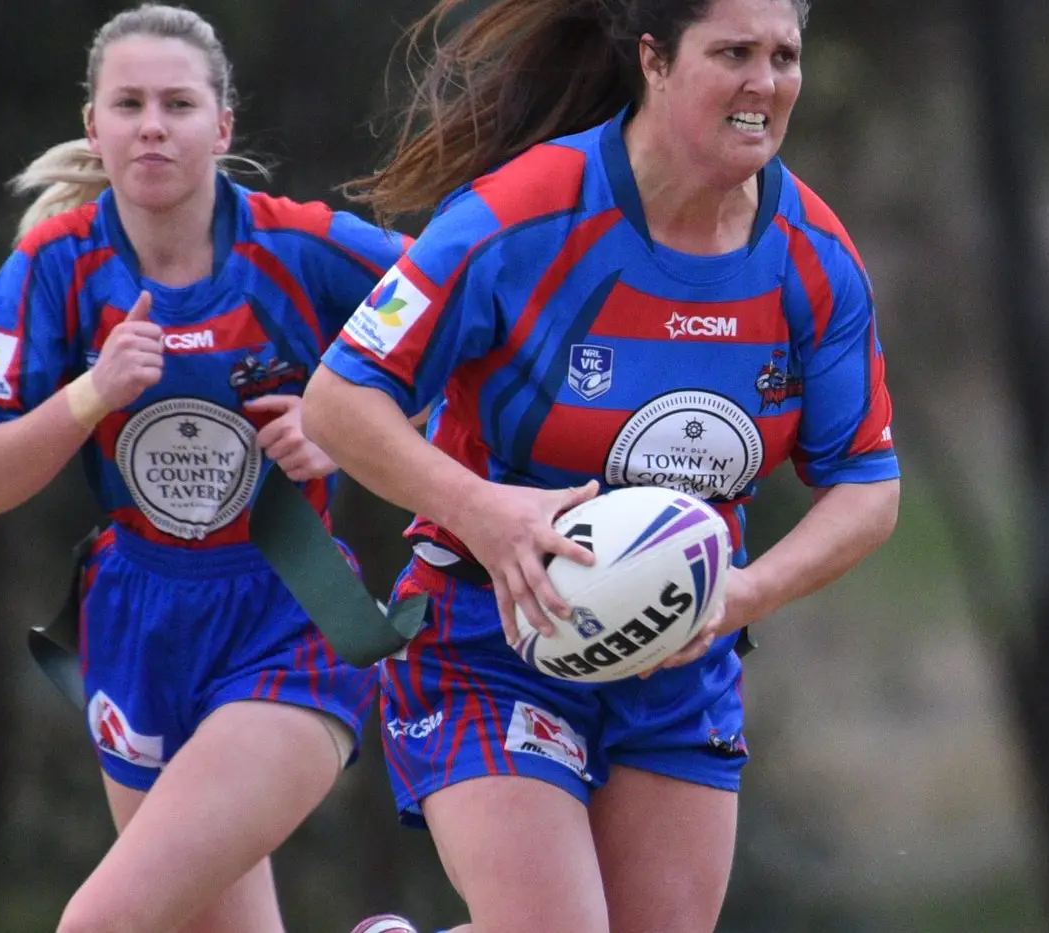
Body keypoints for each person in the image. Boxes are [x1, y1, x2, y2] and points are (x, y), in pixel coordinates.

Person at [301, 0, 901, 931]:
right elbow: (339, 401)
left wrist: (747, 593)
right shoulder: (519, 217)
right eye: (733, 52)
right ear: (655, 60)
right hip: (486, 639)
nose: (765, 82)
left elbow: (868, 485)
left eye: (785, 55)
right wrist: (484, 511)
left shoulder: (813, 259)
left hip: (677, 655)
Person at [0, 5, 413, 932]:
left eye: (177, 102)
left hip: (294, 609)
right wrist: (91, 394)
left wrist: (349, 428)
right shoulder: (54, 267)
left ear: (222, 125)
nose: (152, 124)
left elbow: (473, 339)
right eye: (128, 104)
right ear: (95, 126)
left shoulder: (304, 246)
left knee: (97, 924)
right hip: (134, 620)